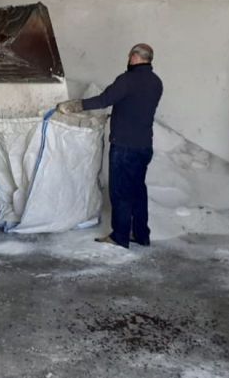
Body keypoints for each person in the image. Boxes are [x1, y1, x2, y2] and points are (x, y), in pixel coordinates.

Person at [57, 43, 163, 248]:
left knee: (121, 192)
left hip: (124, 146)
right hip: (144, 146)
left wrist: (75, 105)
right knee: (138, 191)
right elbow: (136, 107)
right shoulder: (156, 82)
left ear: (134, 57)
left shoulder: (127, 80)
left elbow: (104, 99)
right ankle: (141, 235)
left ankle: (120, 236)